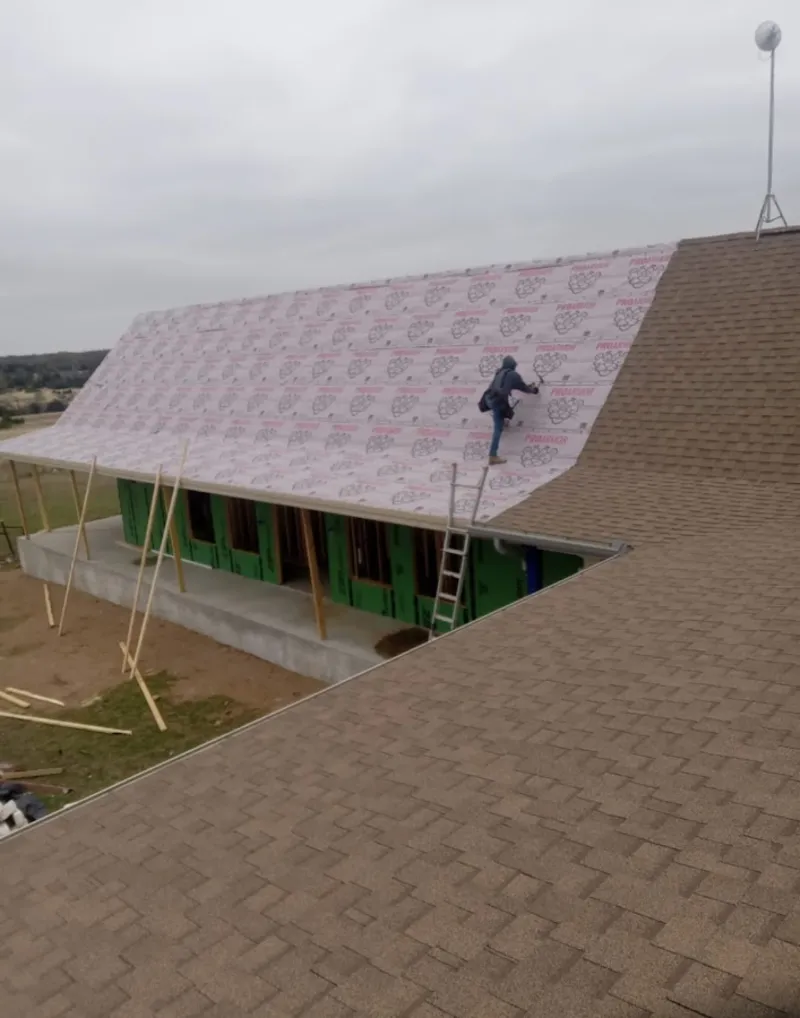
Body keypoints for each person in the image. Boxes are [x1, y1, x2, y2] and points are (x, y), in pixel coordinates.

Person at [485, 355, 539, 465]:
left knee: (503, 413)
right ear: (513, 365)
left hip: (489, 399)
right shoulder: (514, 375)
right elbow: (524, 388)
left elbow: (501, 386)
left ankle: (502, 420)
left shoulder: (499, 372)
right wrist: (534, 390)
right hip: (498, 402)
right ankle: (493, 456)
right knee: (498, 428)